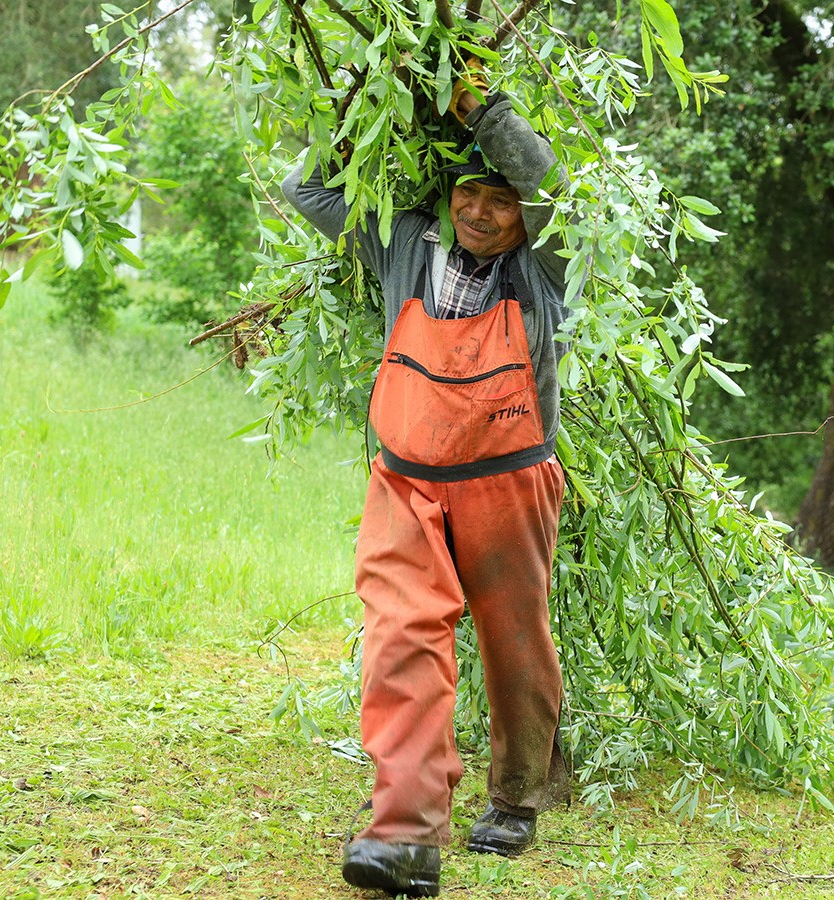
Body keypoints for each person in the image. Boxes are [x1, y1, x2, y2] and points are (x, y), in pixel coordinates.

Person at [282, 66, 576, 898]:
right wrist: (360, 103)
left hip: (507, 481)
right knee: (400, 635)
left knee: (514, 643)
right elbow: (305, 186)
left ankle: (517, 796)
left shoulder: (549, 267)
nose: (480, 212)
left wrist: (485, 113)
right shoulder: (404, 238)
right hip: (406, 480)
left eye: (500, 200)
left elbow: (551, 185)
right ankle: (406, 833)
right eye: (467, 195)